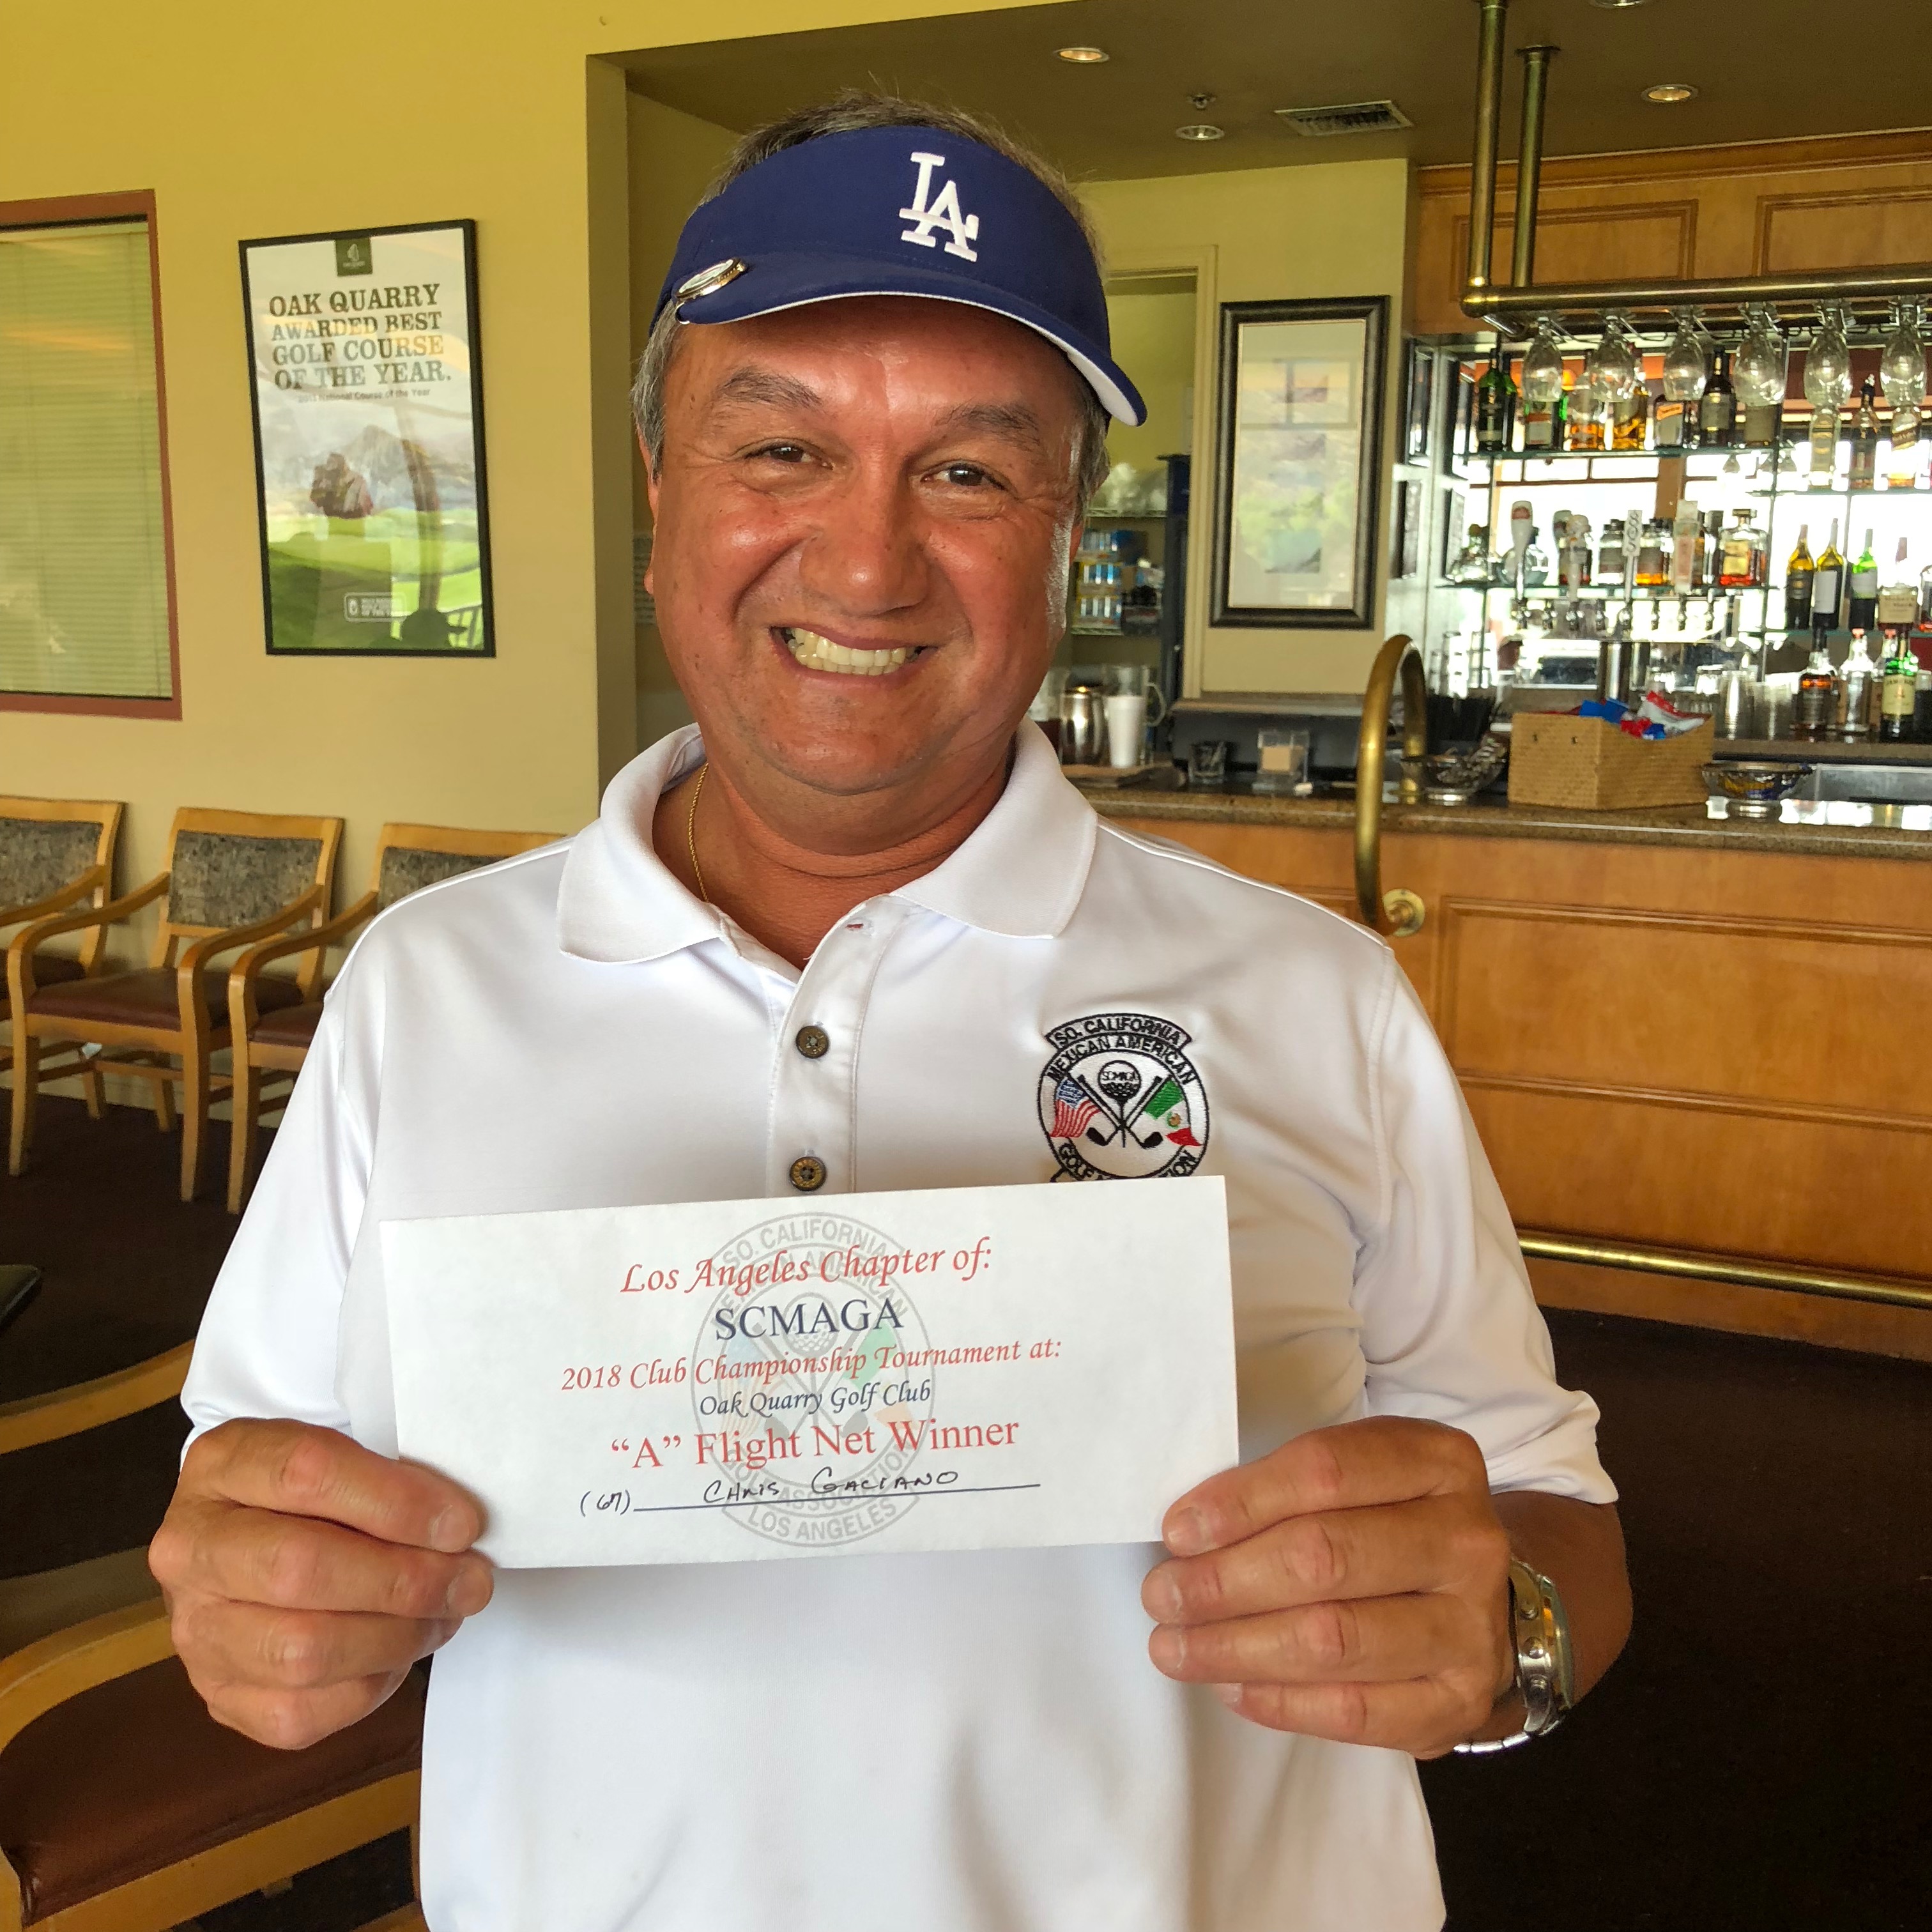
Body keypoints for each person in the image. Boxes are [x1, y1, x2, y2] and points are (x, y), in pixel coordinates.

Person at [153, 95, 1630, 1931]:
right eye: (781, 447)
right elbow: (248, 1475)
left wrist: (1510, 1639)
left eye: (971, 474)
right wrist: (257, 1595)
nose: (866, 568)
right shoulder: (423, 984)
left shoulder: (1313, 993)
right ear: (658, 495)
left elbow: (1549, 1510)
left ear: (1069, 529)